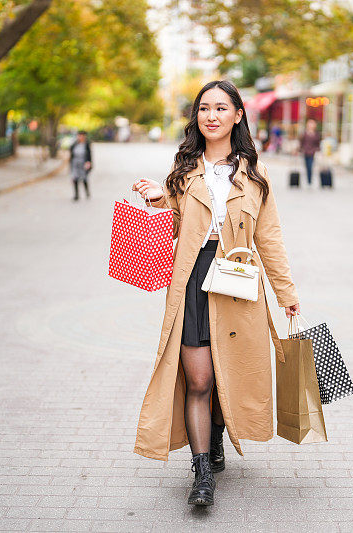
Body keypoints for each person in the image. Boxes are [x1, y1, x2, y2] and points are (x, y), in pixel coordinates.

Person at [131, 79, 301, 507]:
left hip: (237, 283)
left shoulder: (255, 176)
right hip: (191, 281)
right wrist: (158, 198)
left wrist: (287, 294)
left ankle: (217, 432)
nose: (211, 116)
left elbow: (270, 238)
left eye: (221, 108)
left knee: (232, 374)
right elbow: (173, 224)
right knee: (199, 378)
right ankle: (202, 472)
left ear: (238, 115)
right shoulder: (184, 170)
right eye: (204, 108)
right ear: (197, 116)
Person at [68, 130, 92, 201]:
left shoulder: (86, 145)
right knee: (75, 178)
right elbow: (71, 153)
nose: (81, 137)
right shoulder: (74, 144)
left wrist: (89, 162)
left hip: (83, 163)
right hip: (75, 163)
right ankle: (76, 195)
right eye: (79, 136)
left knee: (84, 178)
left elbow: (89, 155)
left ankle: (87, 192)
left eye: (82, 136)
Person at [298, 119, 321, 187]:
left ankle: (309, 180)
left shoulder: (316, 134)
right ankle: (308, 179)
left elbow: (318, 144)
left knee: (310, 166)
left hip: (312, 153)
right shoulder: (304, 134)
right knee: (307, 166)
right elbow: (301, 143)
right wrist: (299, 150)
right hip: (305, 152)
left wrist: (318, 150)